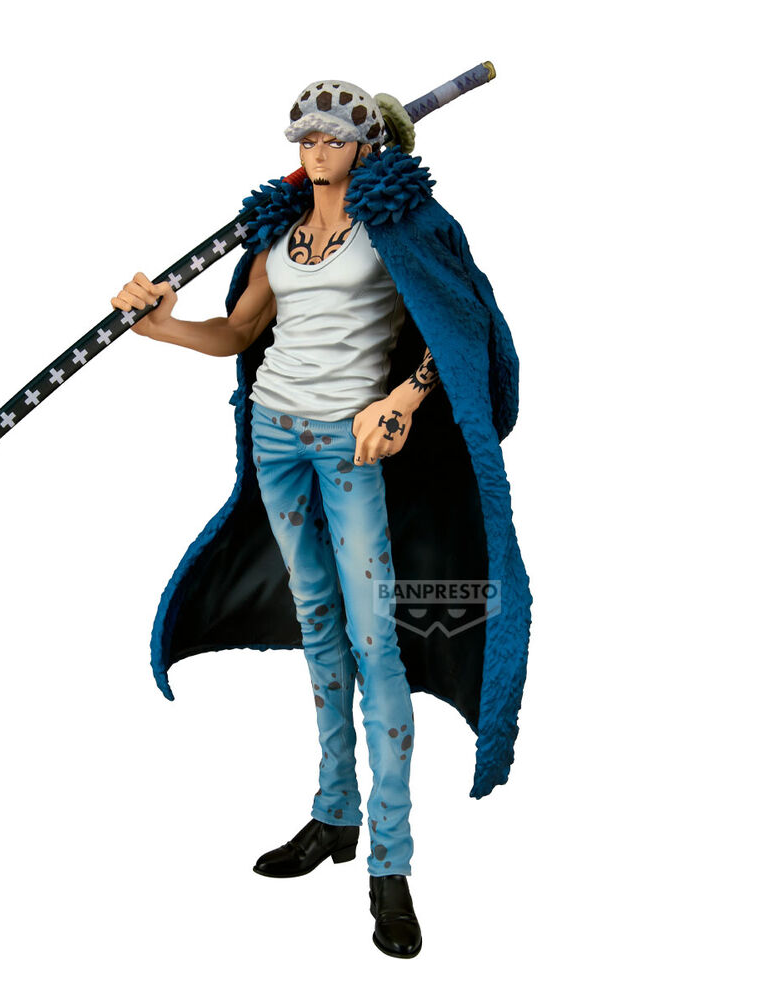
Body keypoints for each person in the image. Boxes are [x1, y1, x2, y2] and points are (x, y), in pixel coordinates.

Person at [112, 79, 531, 961]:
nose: (314, 150)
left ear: (368, 145)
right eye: (304, 138)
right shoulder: (279, 231)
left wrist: (404, 400)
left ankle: (391, 862)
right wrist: (162, 327)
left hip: (350, 445)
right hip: (275, 436)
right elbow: (238, 333)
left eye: (331, 138)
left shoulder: (403, 227)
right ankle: (333, 814)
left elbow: (457, 329)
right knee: (319, 628)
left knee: (378, 642)